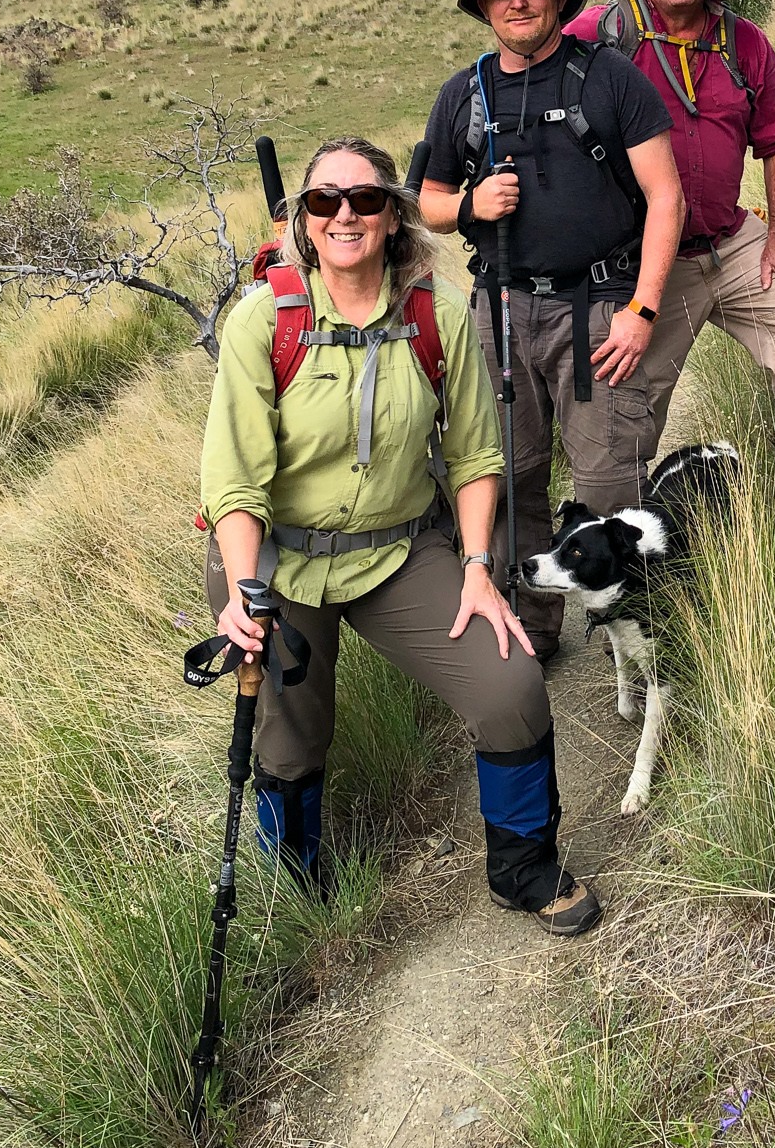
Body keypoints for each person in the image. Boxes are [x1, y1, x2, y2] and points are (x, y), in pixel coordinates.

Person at [201, 135, 602, 936]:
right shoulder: (264, 319)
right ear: (303, 220)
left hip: (398, 550)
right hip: (276, 561)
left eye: (364, 199)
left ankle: (522, 866)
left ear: (393, 214)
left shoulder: (434, 312)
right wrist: (245, 593)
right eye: (325, 201)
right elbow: (234, 481)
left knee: (510, 686)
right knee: (288, 738)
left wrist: (479, 568)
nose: (344, 214)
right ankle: (298, 889)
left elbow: (477, 456)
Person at [419, 0, 684, 662]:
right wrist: (473, 204)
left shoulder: (610, 80)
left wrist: (642, 310)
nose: (519, 2)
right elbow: (429, 203)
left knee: (608, 478)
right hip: (498, 310)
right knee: (507, 474)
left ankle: (634, 636)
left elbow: (666, 196)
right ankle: (533, 629)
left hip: (599, 307)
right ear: (485, 9)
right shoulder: (463, 95)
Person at [570, 0, 775, 480]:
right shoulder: (603, 34)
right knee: (627, 400)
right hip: (646, 259)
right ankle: (628, 527)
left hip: (730, 239)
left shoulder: (745, 44)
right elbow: (538, 76)